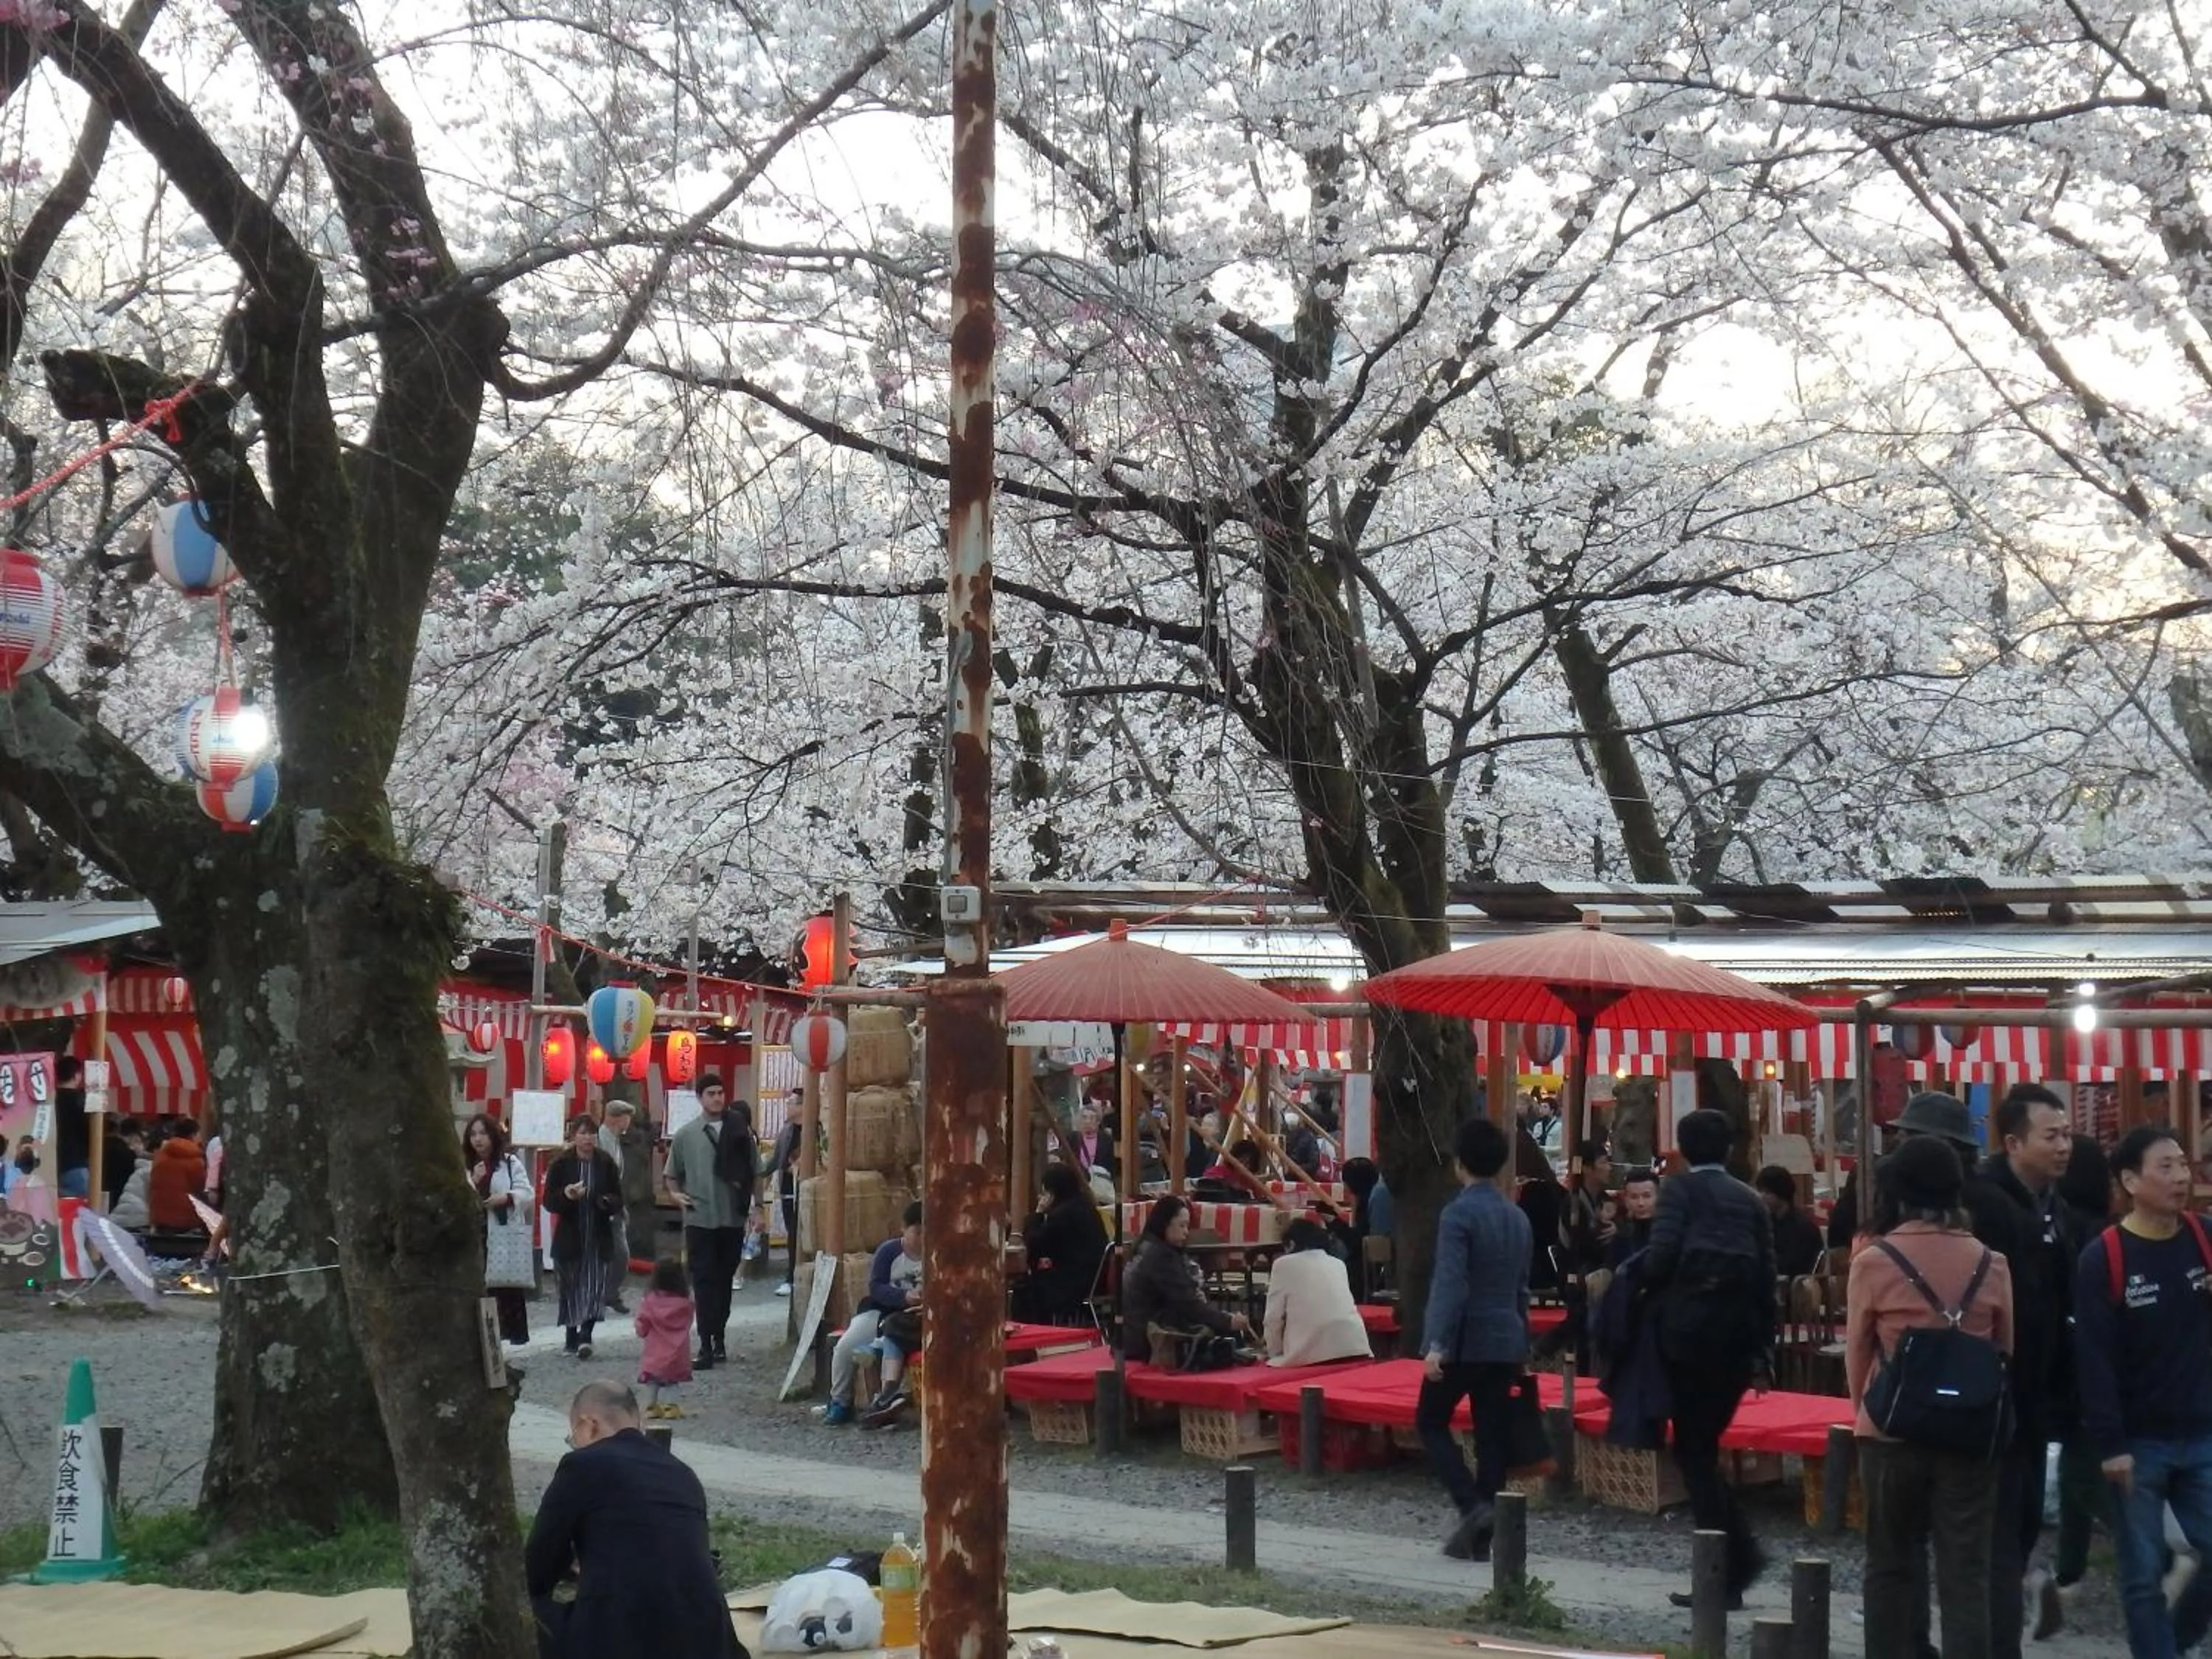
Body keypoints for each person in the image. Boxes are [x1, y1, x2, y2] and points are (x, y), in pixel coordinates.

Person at [1847, 1133, 2014, 1659]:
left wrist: (1864, 1414)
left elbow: (1858, 1351)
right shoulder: (1992, 1262)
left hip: (1891, 1431)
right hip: (1969, 1432)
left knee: (1891, 1563)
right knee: (1966, 1571)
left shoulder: (1874, 1261)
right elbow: (2006, 1351)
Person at [2073, 1124, 2212, 1659]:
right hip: (2137, 1441)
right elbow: (2094, 1358)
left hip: (2202, 1428)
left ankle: (2172, 1644)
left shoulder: (2203, 1237)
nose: (2181, 1177)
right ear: (2130, 1180)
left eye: (2183, 1165)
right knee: (2142, 1573)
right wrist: (2111, 1444)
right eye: (2167, 1167)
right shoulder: (2104, 1257)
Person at [1643, 1107, 1776, 1610]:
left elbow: (1661, 1256)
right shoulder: (1749, 1200)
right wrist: (1764, 1351)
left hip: (1688, 1335)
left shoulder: (1679, 1191)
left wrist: (1636, 1293)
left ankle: (1729, 1567)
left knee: (1694, 1453)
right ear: (1728, 1149)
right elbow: (1767, 1280)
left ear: (1682, 1147)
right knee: (1702, 1447)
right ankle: (1736, 1562)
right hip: (1738, 1338)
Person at [524, 1381, 748, 1659]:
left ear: (588, 1425)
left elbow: (535, 1572)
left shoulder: (581, 1465)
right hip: (709, 1641)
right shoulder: (683, 1474)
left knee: (515, 1610)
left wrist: (569, 1567)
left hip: (625, 1639)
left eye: (573, 1438)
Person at [1976, 1083, 2079, 1648]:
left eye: (2067, 1134)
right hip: (1996, 1390)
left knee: (2025, 1518)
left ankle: (2013, 1609)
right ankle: (1999, 1637)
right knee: (2002, 1523)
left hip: (2041, 1387)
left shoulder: (2055, 1207)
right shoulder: (1988, 1202)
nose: (2065, 1146)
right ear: (2013, 1142)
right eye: (2052, 1136)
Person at [1419, 1116, 1529, 1562]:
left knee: (1430, 1420)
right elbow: (1523, 1286)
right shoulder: (1516, 1216)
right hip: (1507, 1334)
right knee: (1492, 1435)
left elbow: (1451, 1283)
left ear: (1459, 1163)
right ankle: (1485, 1536)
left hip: (1467, 1336)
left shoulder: (1458, 1213)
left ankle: (1471, 1505)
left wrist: (1436, 1343)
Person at [2053, 1133, 2114, 1600]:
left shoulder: (2069, 1227)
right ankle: (2068, 1570)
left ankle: (2161, 1550)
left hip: (2079, 1365)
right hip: (2098, 1366)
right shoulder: (2107, 1229)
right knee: (2079, 1462)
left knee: (2081, 1471)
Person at [662, 1077, 755, 1369]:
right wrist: (676, 1196)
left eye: (720, 1092)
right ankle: (704, 1343)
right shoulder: (686, 1135)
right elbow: (671, 1173)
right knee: (703, 1281)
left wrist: (759, 1206)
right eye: (711, 1093)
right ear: (700, 1098)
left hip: (731, 1216)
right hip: (700, 1218)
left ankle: (720, 1339)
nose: (717, 1098)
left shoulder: (740, 1132)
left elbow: (756, 1170)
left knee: (725, 1279)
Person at [821, 1203, 924, 1427]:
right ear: (904, 1229)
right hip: (882, 1312)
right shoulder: (889, 1251)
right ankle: (840, 1400)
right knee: (845, 1347)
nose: (922, 1239)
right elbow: (876, 1287)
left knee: (895, 1337)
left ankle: (886, 1396)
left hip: (918, 1317)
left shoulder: (937, 1255)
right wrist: (903, 1297)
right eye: (917, 1232)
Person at [1119, 1194, 1251, 1363]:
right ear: (1165, 1224)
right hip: (1150, 1340)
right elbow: (1189, 1305)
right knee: (1224, 1334)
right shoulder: (1161, 1256)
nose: (1186, 1232)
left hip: (1131, 1337)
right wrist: (1228, 1321)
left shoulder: (1143, 1246)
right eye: (1182, 1225)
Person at [544, 1116, 623, 1360]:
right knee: (570, 1286)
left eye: (591, 1134)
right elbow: (549, 1201)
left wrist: (606, 1201)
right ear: (573, 1137)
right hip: (571, 1234)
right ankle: (570, 1334)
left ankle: (586, 1335)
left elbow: (618, 1197)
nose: (587, 1138)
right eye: (582, 1133)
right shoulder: (561, 1164)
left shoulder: (606, 1163)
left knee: (594, 1286)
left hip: (598, 1234)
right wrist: (567, 1195)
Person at [465, 1112, 535, 1346]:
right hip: (475, 1236)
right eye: (473, 1134)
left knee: (506, 1287)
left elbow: (527, 1193)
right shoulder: (463, 1165)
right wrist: (473, 1182)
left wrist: (506, 1197)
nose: (478, 1139)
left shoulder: (510, 1163)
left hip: (502, 1233)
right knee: (481, 1291)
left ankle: (509, 1339)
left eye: (483, 1133)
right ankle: (486, 1342)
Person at [1265, 1217, 1371, 1367]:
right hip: (1354, 1345)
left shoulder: (1283, 1264)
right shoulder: (1338, 1263)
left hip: (1312, 1353)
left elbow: (1273, 1319)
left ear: (1292, 1244)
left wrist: (1274, 1353)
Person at [1015, 1163, 1108, 1325]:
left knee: (1024, 1289)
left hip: (1074, 1285)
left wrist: (1037, 1213)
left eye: (1045, 1192)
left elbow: (1035, 1244)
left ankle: (1035, 1334)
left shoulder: (1063, 1215)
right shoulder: (1086, 1207)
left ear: (1052, 1192)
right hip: (1095, 1279)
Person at [634, 1258, 695, 1419]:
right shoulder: (686, 1304)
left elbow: (642, 1324)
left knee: (652, 1381)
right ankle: (670, 1407)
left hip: (654, 1351)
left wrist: (641, 1331)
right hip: (677, 1351)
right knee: (673, 1381)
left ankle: (650, 1406)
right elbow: (688, 1323)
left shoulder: (650, 1302)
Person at [597, 1101, 642, 1315]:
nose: (628, 1122)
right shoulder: (600, 1139)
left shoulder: (614, 1140)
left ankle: (610, 1293)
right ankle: (603, 1294)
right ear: (619, 1117)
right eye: (627, 1117)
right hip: (602, 1204)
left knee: (620, 1253)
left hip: (614, 1202)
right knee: (615, 1252)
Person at [1756, 1165, 1826, 1278]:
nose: (1761, 1197)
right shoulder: (1766, 1222)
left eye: (1767, 1193)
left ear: (1781, 1193)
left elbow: (1793, 1265)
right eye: (1760, 1191)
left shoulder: (1803, 1228)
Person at [767, 1110, 804, 1297]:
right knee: (792, 1233)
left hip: (807, 1189)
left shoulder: (817, 1126)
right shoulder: (787, 1130)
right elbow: (776, 1160)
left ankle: (800, 1276)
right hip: (788, 1188)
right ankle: (791, 1277)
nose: (788, 1107)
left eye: (793, 1103)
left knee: (804, 1234)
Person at [146, 1119, 206, 1233]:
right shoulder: (195, 1160)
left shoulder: (161, 1155)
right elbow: (200, 1188)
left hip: (159, 1215)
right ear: (193, 1135)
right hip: (185, 1218)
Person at [52, 1056, 88, 1200]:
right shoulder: (82, 1101)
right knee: (79, 1213)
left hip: (51, 1164)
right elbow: (89, 1134)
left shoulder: (48, 1101)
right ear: (77, 1075)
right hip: (76, 1164)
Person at [1609, 1166, 1658, 1266]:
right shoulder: (1619, 1234)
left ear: (1658, 1197)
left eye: (1647, 1196)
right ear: (1626, 1200)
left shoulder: (1670, 1232)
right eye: (1634, 1197)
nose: (1641, 1203)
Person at [1066, 1102, 1116, 1185]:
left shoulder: (1106, 1140)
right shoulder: (1072, 1138)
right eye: (1084, 1118)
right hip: (1075, 1183)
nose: (1087, 1121)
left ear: (1098, 1122)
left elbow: (1111, 1167)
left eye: (1092, 1118)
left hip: (1099, 1184)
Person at [100, 1119, 139, 1211]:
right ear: (133, 1135)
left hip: (101, 1189)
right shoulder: (127, 1153)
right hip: (119, 1193)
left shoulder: (98, 1146)